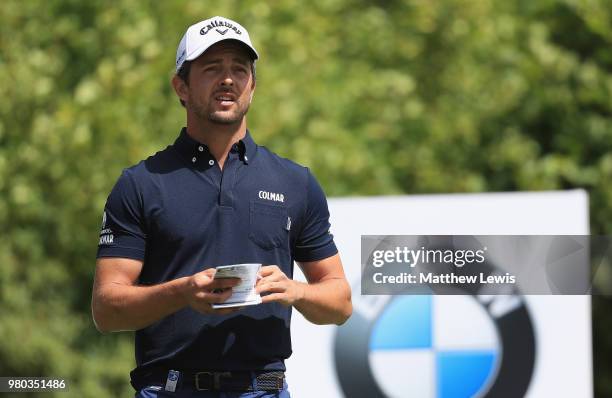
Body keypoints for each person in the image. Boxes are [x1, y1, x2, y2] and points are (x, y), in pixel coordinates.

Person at [91, 16, 352, 397]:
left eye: (239, 69)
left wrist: (294, 290)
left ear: (253, 86)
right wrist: (182, 293)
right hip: (168, 389)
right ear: (181, 86)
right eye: (212, 68)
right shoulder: (141, 183)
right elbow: (107, 310)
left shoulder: (296, 182)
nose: (228, 79)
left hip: (264, 388)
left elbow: (341, 301)